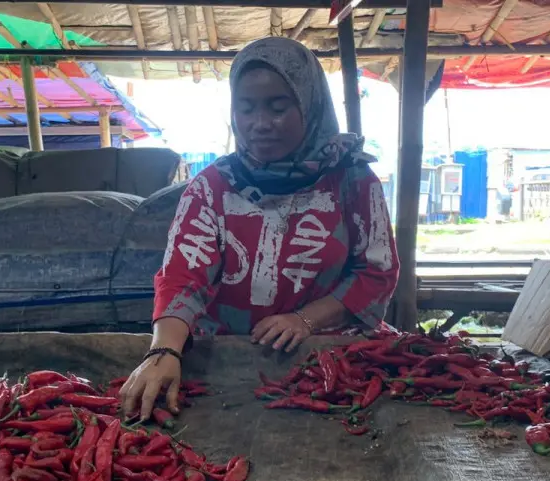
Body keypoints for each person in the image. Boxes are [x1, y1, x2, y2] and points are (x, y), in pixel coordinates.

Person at [119, 37, 400, 420]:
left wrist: (304, 320)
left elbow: (376, 271)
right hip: (230, 357)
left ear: (309, 104)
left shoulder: (351, 180)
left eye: (278, 107)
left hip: (331, 361)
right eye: (246, 108)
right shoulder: (213, 187)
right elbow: (183, 276)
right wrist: (164, 350)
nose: (260, 124)